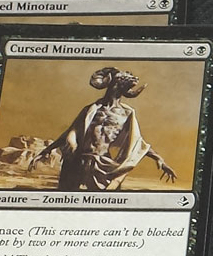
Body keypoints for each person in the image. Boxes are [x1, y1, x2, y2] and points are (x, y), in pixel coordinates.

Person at [32, 66, 176, 191]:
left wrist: (159, 159)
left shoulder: (127, 113)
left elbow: (138, 143)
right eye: (119, 79)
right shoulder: (91, 110)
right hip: (78, 161)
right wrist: (47, 150)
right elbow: (71, 132)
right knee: (67, 200)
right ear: (111, 82)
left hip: (104, 167)